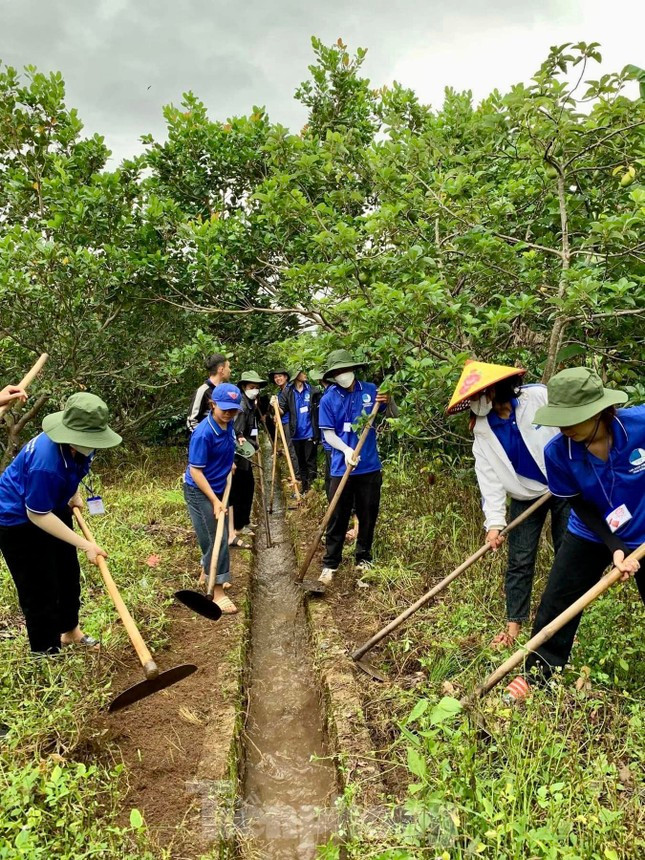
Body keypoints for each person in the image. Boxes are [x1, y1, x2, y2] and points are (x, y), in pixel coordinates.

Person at [504, 368, 645, 702]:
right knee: (558, 600)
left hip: (642, 528)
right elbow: (580, 504)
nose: (564, 427)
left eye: (573, 419)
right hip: (593, 532)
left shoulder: (640, 424)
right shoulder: (558, 452)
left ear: (599, 411)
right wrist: (614, 547)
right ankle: (538, 675)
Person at [447, 360, 570, 648]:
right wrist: (494, 524)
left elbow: (569, 424)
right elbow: (488, 479)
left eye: (478, 396)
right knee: (520, 560)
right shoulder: (482, 430)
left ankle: (564, 616)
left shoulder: (537, 397)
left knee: (567, 552)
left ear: (494, 391)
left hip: (563, 487)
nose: (475, 403)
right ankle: (513, 626)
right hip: (525, 495)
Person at [0, 393, 122, 653]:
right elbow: (36, 514)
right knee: (39, 587)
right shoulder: (46, 463)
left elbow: (75, 471)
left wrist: (72, 494)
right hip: (18, 519)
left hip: (52, 506)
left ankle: (70, 631)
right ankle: (46, 652)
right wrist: (86, 544)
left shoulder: (81, 447)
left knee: (67, 574)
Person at [317, 349, 397, 585]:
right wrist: (346, 450)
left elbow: (392, 414)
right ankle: (330, 563)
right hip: (342, 468)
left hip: (369, 466)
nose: (343, 375)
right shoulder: (328, 399)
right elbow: (328, 434)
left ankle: (363, 557)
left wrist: (389, 400)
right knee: (337, 516)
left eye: (346, 370)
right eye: (338, 372)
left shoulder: (371, 391)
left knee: (368, 513)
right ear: (333, 375)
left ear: (354, 369)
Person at [184, 383, 242, 615]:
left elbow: (225, 449)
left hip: (219, 485)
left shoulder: (227, 426)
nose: (228, 413)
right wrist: (215, 501)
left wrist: (229, 464)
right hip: (199, 491)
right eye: (224, 408)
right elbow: (196, 471)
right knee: (217, 538)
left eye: (233, 409)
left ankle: (207, 571)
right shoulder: (203, 433)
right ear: (212, 404)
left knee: (212, 535)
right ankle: (217, 592)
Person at [230, 371, 267, 546]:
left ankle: (245, 520)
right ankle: (238, 525)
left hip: (246, 453)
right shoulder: (241, 406)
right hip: (239, 456)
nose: (255, 390)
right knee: (239, 491)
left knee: (249, 487)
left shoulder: (251, 404)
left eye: (257, 388)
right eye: (252, 387)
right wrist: (251, 445)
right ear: (244, 387)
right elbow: (237, 433)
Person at [278, 368, 319, 494]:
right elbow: (282, 410)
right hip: (296, 433)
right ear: (296, 377)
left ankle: (312, 488)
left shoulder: (313, 391)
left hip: (310, 432)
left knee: (310, 461)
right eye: (302, 373)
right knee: (301, 462)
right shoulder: (288, 391)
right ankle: (305, 488)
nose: (305, 375)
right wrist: (275, 406)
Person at [268, 367, 300, 485]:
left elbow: (282, 410)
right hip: (285, 422)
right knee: (289, 448)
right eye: (276, 377)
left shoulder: (288, 390)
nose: (278, 379)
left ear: (286, 377)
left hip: (289, 423)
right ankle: (295, 474)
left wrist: (275, 406)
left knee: (291, 449)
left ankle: (296, 476)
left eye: (280, 376)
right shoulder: (281, 392)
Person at [187, 353, 232, 433]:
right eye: (228, 367)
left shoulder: (225, 390)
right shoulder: (203, 391)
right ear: (221, 369)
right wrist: (202, 438)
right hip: (207, 441)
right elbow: (192, 421)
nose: (230, 370)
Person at [310, 370, 332, 499]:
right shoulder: (325, 394)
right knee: (330, 476)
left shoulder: (329, 396)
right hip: (328, 442)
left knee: (333, 476)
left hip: (333, 445)